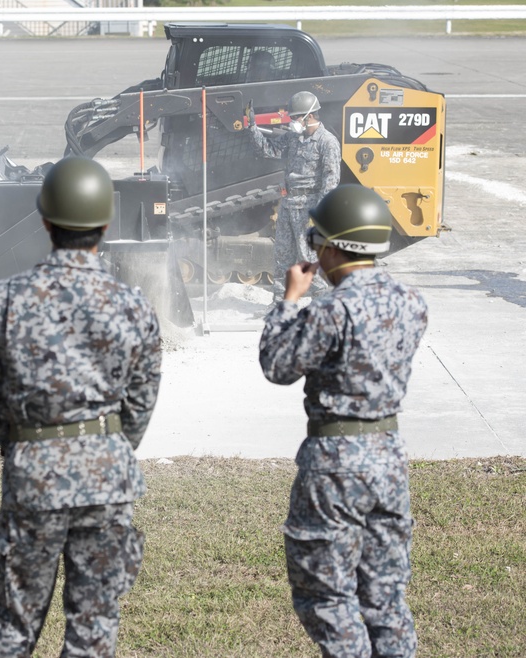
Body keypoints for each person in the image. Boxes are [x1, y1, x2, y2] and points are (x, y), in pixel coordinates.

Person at [0, 157, 162, 657]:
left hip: (32, 475)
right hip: (107, 475)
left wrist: (25, 444)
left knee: (12, 626)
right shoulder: (132, 303)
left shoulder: (4, 300)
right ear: (105, 224)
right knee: (94, 627)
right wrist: (105, 443)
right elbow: (141, 402)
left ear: (44, 220)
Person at [258, 184, 427, 658]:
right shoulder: (411, 303)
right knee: (386, 596)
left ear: (331, 247)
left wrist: (291, 301)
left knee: (327, 596)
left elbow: (277, 366)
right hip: (389, 458)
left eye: (317, 242)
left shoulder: (330, 310)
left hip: (335, 463)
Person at [249, 90, 341, 307]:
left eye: (295, 117)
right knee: (282, 254)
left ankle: (321, 301)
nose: (292, 122)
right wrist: (252, 128)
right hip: (289, 203)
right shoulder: (294, 138)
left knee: (308, 256)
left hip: (309, 206)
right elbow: (269, 150)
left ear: (309, 116)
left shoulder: (327, 142)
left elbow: (331, 181)